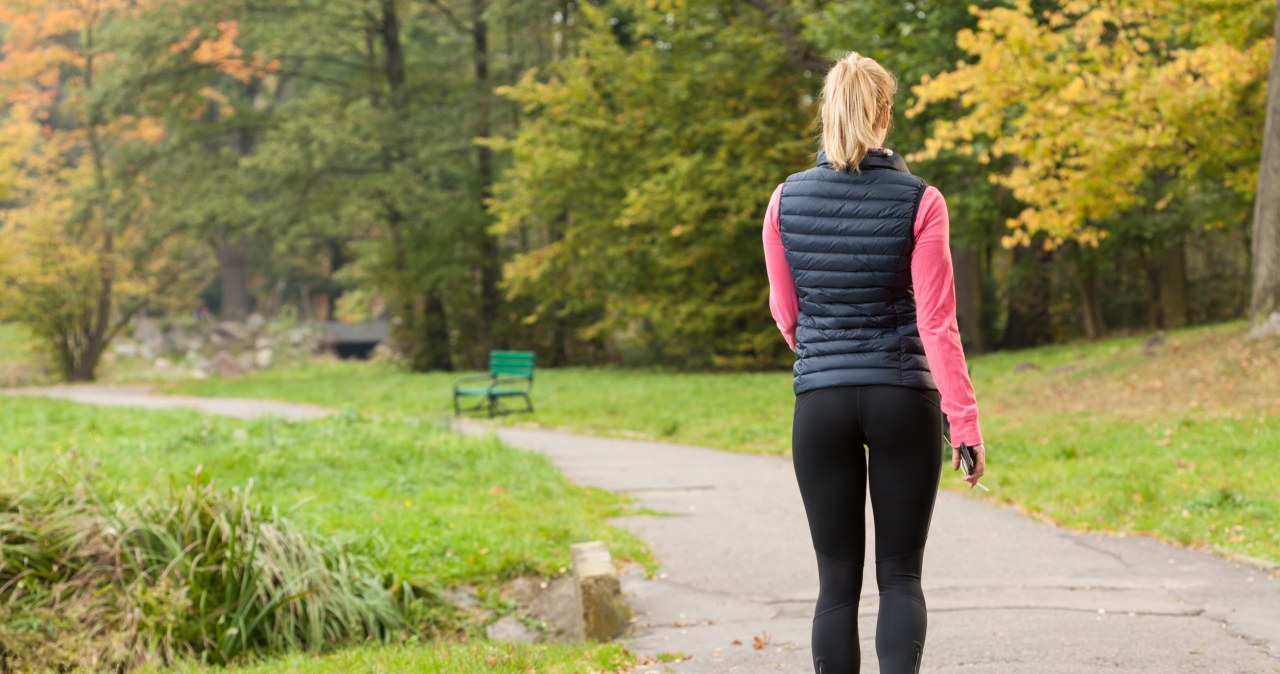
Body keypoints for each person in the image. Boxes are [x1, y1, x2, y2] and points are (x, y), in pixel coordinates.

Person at [762, 51, 987, 674]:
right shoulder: (923, 201)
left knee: (835, 584)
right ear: (884, 113)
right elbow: (937, 323)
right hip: (902, 400)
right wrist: (964, 424)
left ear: (826, 113)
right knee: (900, 577)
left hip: (821, 405)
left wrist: (827, 353)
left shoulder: (783, 201)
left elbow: (786, 314)